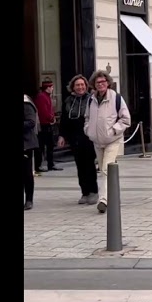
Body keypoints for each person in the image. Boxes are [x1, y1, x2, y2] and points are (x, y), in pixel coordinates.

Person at [83, 70, 131, 214]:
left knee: (105, 169)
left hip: (112, 141)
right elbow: (87, 117)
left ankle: (103, 200)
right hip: (97, 141)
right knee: (103, 171)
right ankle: (110, 197)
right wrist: (88, 130)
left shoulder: (116, 98)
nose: (101, 84)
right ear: (94, 85)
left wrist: (114, 130)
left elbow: (126, 119)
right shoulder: (91, 99)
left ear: (108, 83)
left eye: (103, 82)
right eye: (98, 82)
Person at [56, 75, 98, 205]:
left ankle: (93, 192)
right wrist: (62, 136)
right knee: (80, 166)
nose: (80, 87)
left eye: (82, 85)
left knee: (89, 165)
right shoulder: (68, 100)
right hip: (74, 138)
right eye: (77, 85)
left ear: (86, 86)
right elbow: (64, 120)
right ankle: (84, 192)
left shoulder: (91, 99)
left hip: (88, 137)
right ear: (73, 87)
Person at [33, 79, 61, 172]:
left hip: (48, 124)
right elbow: (43, 111)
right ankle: (38, 165)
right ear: (47, 88)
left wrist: (52, 118)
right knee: (41, 146)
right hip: (44, 125)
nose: (52, 89)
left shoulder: (47, 96)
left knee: (50, 146)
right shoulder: (41, 97)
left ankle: (50, 164)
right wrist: (51, 118)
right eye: (51, 87)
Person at [23, 93, 39, 209]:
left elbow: (31, 122)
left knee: (26, 174)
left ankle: (29, 199)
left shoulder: (26, 103)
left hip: (25, 143)